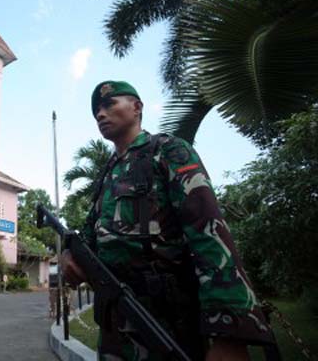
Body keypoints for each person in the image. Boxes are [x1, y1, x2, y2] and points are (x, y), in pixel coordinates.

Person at [62, 81, 276, 361]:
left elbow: (208, 233)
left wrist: (229, 335)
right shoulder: (108, 173)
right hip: (115, 326)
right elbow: (91, 234)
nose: (100, 114)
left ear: (137, 107)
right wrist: (70, 253)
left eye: (109, 104)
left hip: (167, 324)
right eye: (96, 111)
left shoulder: (169, 151)